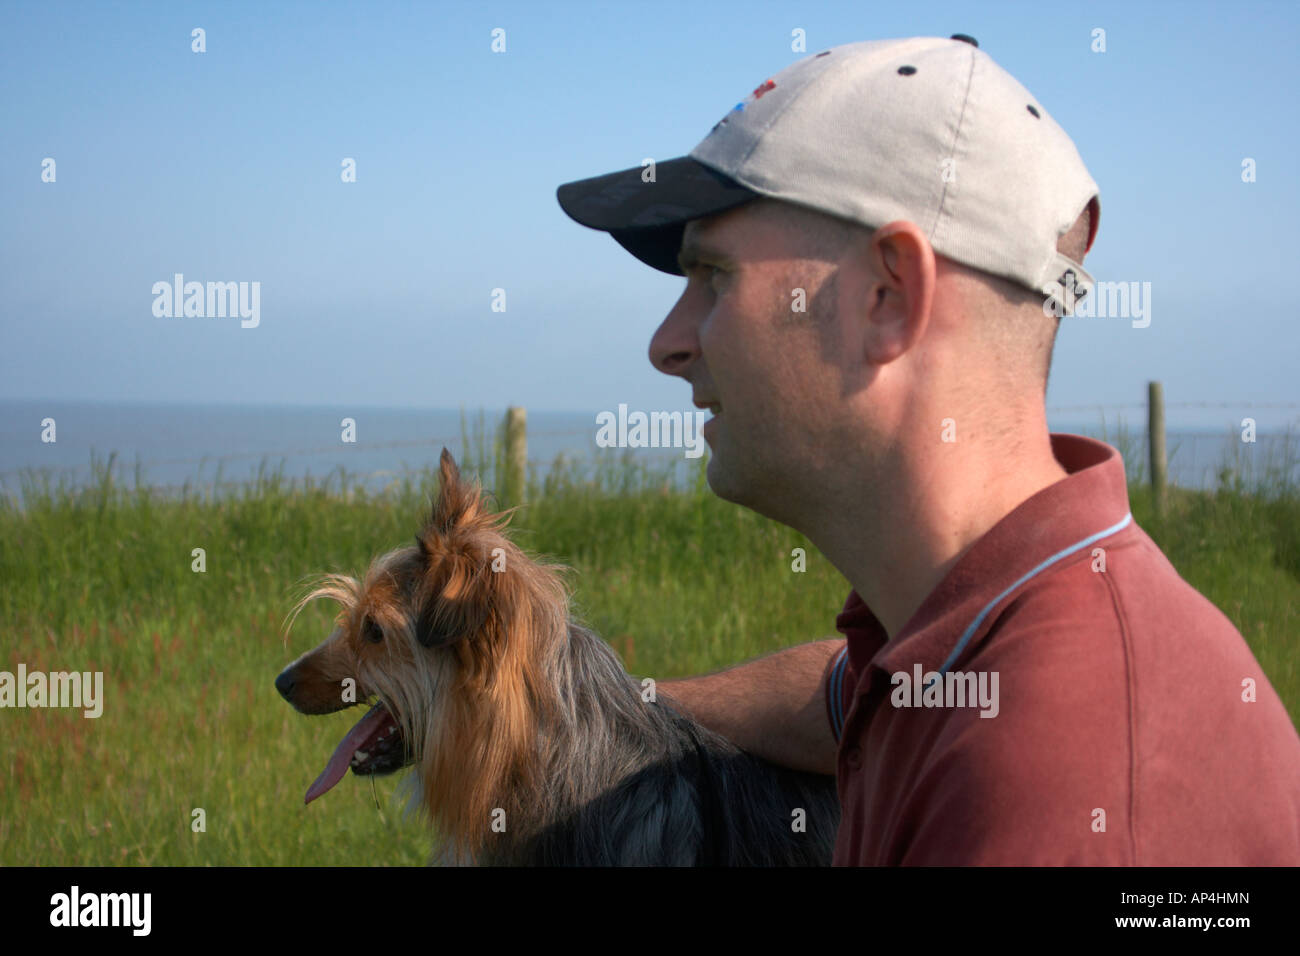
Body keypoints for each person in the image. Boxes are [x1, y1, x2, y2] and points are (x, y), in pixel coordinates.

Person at [556, 35, 1300, 865]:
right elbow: (849, 696)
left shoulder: (1054, 792)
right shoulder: (972, 630)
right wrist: (596, 708)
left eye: (714, 277)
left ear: (888, 296)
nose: (667, 344)